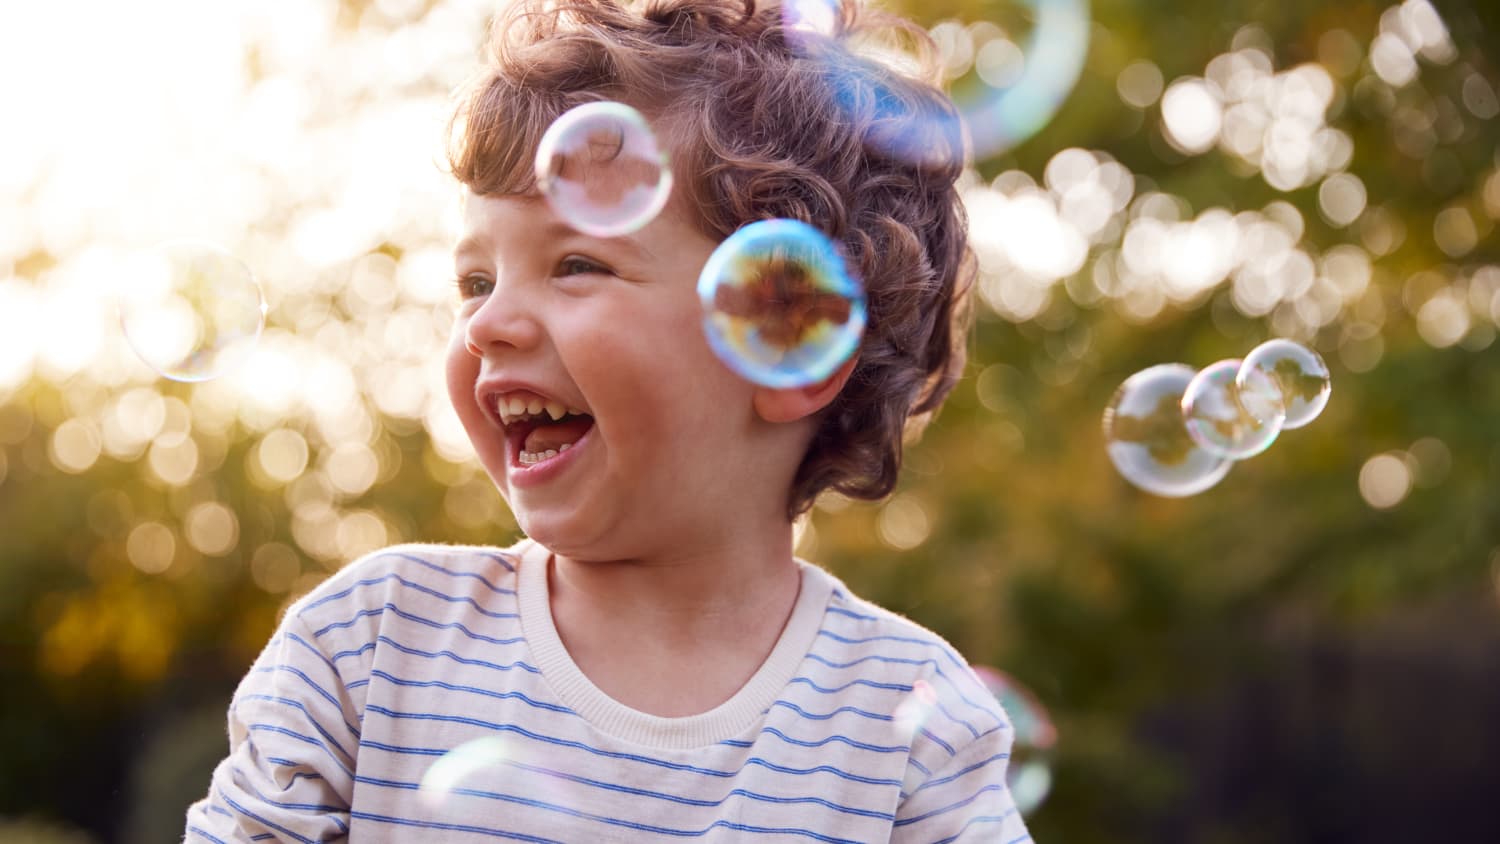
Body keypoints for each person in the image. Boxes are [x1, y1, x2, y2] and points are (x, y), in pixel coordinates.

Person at [185, 0, 1033, 840]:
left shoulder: (913, 735)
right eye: (476, 281)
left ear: (789, 344)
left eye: (576, 263)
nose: (485, 324)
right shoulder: (369, 650)